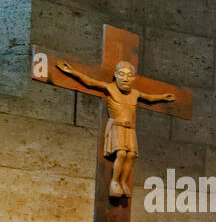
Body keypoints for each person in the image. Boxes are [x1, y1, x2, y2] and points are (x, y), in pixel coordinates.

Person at [55, 60, 175, 198]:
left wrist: (163, 97)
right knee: (122, 153)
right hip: (117, 126)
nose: (125, 78)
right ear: (116, 75)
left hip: (130, 129)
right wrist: (72, 72)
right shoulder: (110, 88)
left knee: (130, 155)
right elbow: (89, 82)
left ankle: (123, 182)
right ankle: (114, 182)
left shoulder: (134, 93)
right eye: (122, 74)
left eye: (129, 75)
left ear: (133, 78)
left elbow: (149, 98)